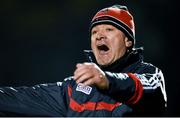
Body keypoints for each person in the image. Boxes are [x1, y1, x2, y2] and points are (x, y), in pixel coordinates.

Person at [0, 5, 167, 116]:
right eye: (94, 32)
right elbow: (22, 98)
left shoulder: (150, 75)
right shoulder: (74, 88)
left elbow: (142, 88)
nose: (99, 35)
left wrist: (105, 80)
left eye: (109, 29)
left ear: (128, 41)